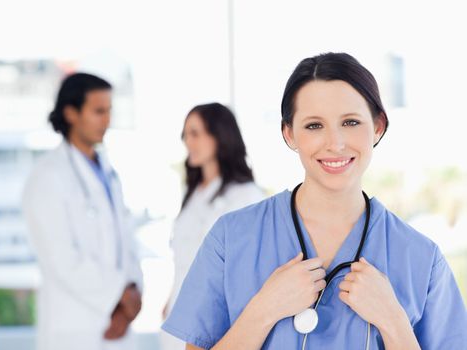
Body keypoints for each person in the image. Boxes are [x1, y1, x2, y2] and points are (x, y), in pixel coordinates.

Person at [162, 53, 467, 349]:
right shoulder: (231, 238)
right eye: (314, 126)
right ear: (289, 134)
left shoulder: (422, 258)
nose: (335, 143)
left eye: (350, 122)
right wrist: (262, 312)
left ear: (377, 126)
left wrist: (394, 322)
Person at [22, 73, 143, 350]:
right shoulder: (47, 177)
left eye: (110, 111)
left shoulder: (110, 174)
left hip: (120, 324)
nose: (107, 120)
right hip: (76, 326)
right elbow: (61, 257)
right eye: (99, 111)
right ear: (71, 113)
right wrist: (118, 296)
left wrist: (132, 297)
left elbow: (128, 242)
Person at [161, 102, 266, 350]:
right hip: (179, 313)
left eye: (195, 133)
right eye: (185, 135)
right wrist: (169, 301)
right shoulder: (193, 191)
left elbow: (247, 273)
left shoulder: (246, 196)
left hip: (218, 322)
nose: (188, 142)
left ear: (220, 135)